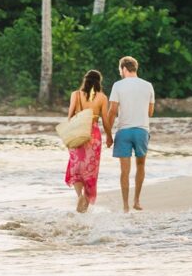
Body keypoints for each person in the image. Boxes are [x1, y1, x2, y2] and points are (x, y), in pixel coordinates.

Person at [105, 56, 155, 212]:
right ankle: (137, 201)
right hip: (141, 130)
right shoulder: (148, 86)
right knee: (141, 165)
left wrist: (108, 134)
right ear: (135, 68)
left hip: (124, 132)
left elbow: (112, 111)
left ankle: (125, 206)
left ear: (123, 69)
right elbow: (150, 112)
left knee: (124, 171)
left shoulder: (118, 85)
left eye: (120, 70)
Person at [64, 69, 110, 213]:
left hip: (78, 132)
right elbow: (105, 120)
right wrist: (109, 136)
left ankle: (79, 196)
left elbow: (70, 116)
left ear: (85, 80)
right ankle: (85, 202)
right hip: (94, 134)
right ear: (99, 82)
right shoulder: (102, 97)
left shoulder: (75, 95)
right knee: (90, 169)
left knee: (76, 166)